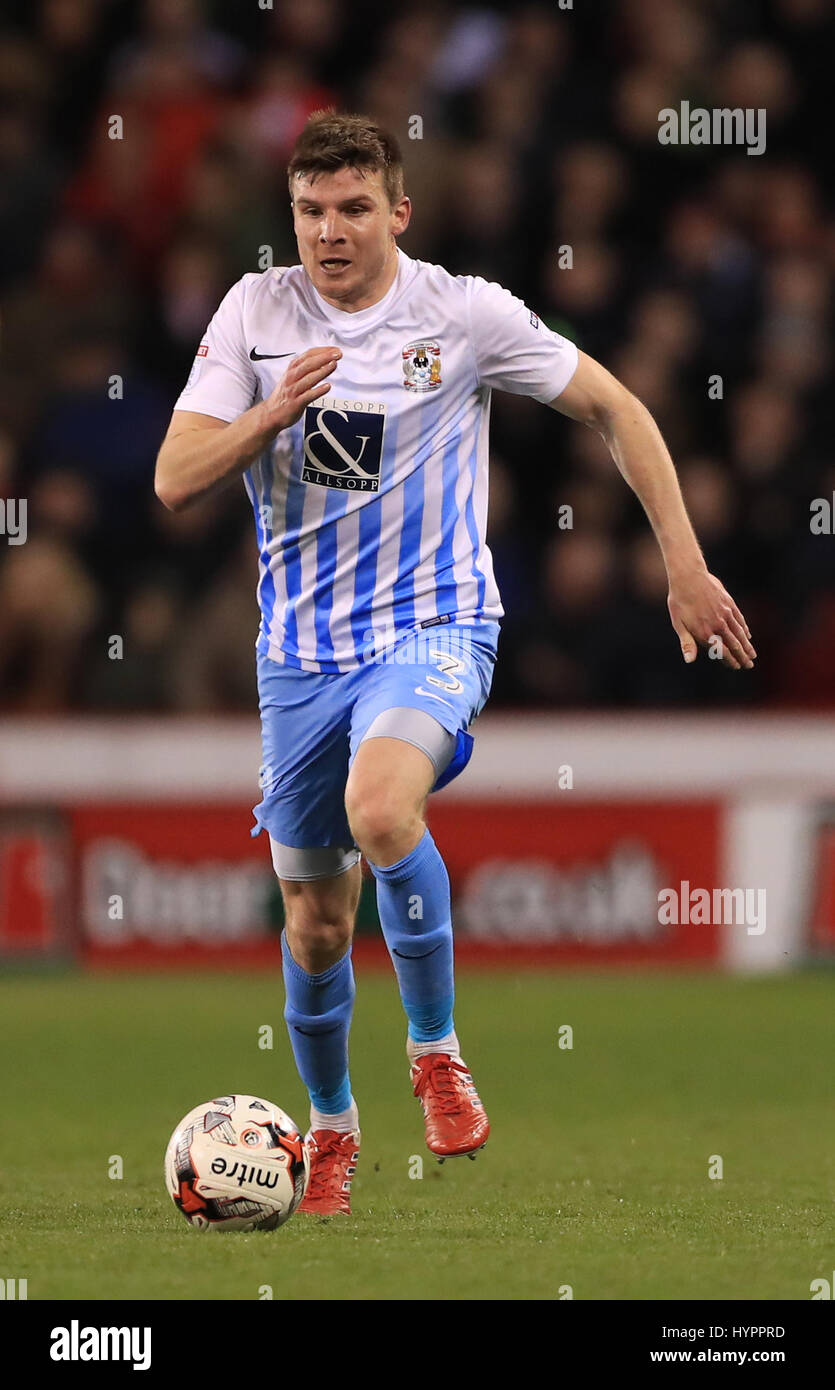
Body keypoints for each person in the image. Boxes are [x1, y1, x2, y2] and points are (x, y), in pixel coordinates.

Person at [154, 111, 756, 1215]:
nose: (327, 232)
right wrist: (270, 414)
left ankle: (435, 1052)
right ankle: (329, 1126)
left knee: (382, 811)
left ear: (398, 211)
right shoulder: (255, 311)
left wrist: (682, 564)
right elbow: (176, 476)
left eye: (350, 209)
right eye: (308, 210)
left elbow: (615, 406)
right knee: (316, 921)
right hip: (299, 655)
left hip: (435, 629)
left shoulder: (463, 313)